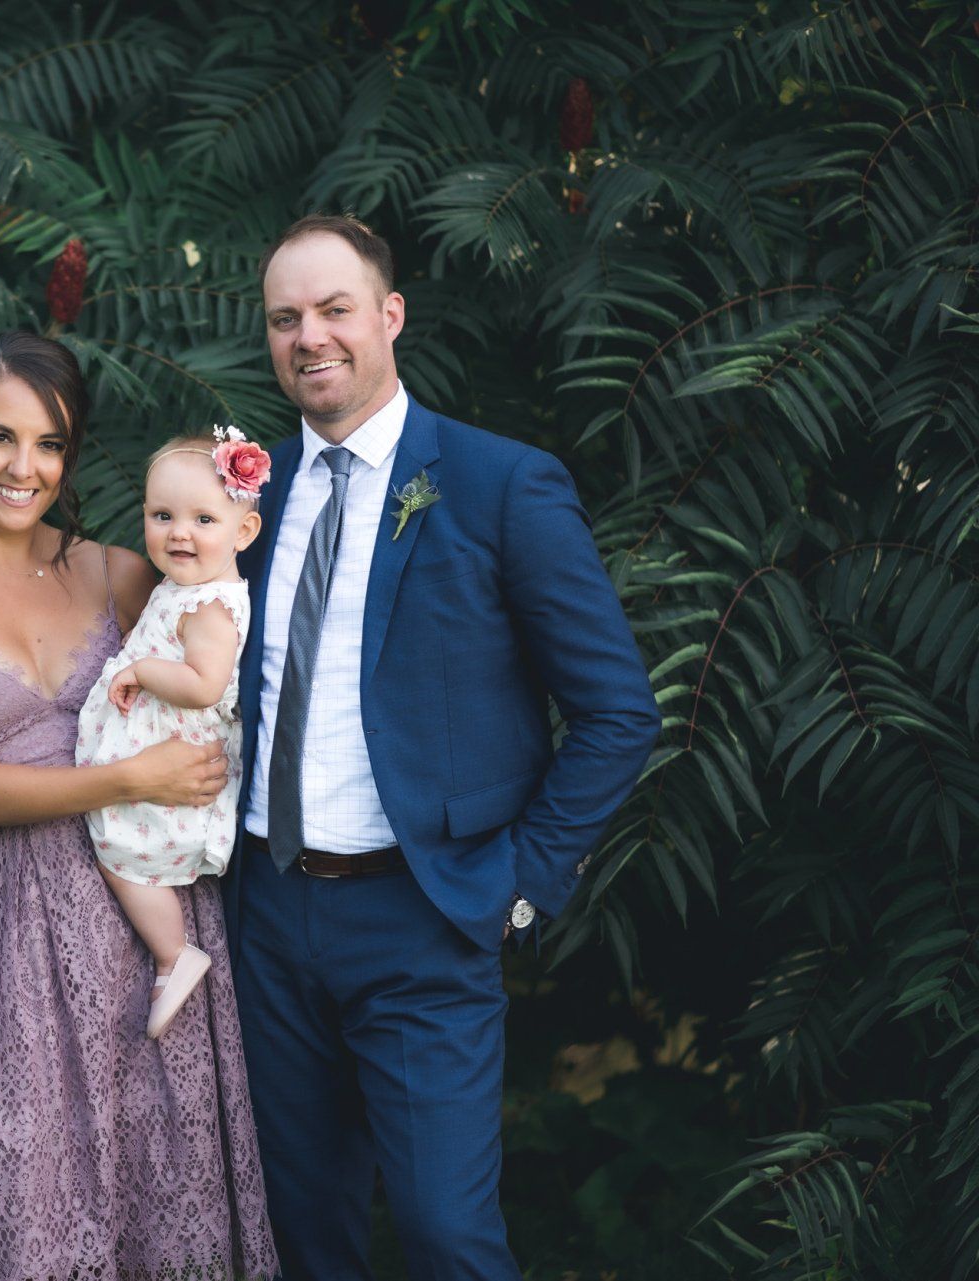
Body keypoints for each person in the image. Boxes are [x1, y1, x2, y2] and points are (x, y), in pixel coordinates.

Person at [228, 214, 662, 1278]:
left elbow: (616, 711)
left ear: (390, 316)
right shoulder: (248, 494)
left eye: (335, 309)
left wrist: (521, 884)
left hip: (424, 916)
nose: (310, 336)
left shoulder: (498, 483)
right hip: (265, 913)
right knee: (303, 1231)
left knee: (445, 1233)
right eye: (286, 318)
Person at [0, 331, 278, 1280]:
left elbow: (220, 657)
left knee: (158, 1194)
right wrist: (134, 780)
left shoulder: (114, 568)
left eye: (49, 443)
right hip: (8, 924)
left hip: (145, 920)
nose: (25, 468)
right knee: (29, 1206)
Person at [74, 430, 267, 1038]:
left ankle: (173, 953)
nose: (179, 532)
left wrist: (143, 670)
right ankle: (170, 952)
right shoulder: (185, 589)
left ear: (243, 533)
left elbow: (206, 684)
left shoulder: (209, 605)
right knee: (116, 845)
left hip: (177, 757)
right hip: (156, 753)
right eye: (162, 516)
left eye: (203, 518)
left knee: (122, 853)